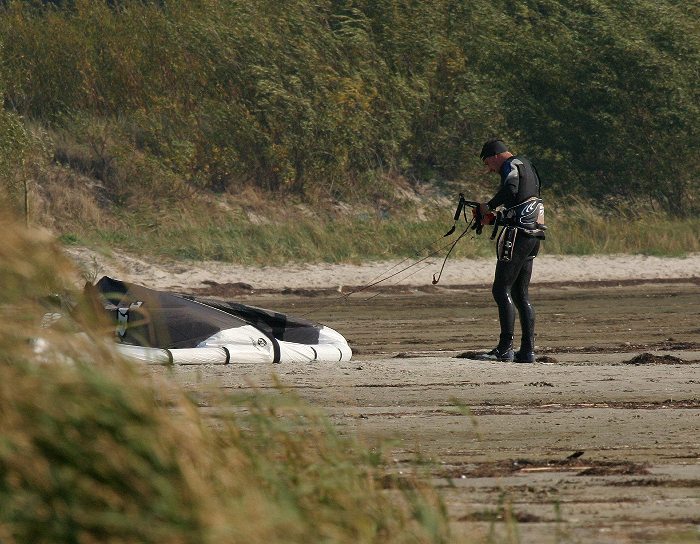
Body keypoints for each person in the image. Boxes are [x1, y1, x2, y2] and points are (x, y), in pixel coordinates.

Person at [475, 139, 546, 363]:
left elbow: (511, 189)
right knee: (520, 293)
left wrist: (489, 205)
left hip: (518, 236)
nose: (490, 169)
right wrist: (496, 217)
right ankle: (527, 351)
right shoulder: (529, 167)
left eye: (489, 164)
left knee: (500, 289)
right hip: (534, 235)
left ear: (495, 155)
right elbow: (523, 201)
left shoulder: (512, 165)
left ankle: (505, 348)